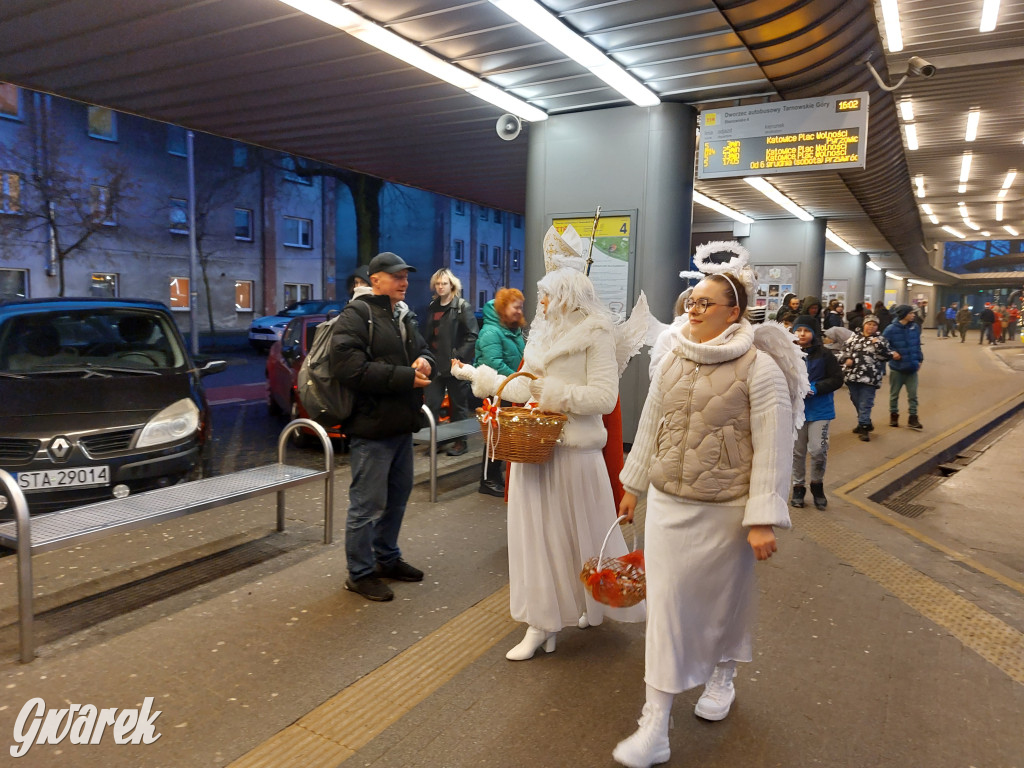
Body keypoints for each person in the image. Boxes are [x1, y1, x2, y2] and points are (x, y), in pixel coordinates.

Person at [612, 255, 807, 768]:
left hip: (726, 511)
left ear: (734, 311)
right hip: (669, 506)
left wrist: (763, 517)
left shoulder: (759, 368)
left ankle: (723, 673)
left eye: (705, 303)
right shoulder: (673, 357)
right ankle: (656, 720)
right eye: (691, 301)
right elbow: (651, 423)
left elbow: (773, 445)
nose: (693, 309)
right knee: (668, 606)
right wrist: (632, 485)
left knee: (724, 600)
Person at [453, 261, 644, 662]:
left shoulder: (597, 334)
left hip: (575, 452)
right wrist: (482, 377)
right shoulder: (540, 335)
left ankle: (592, 602)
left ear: (567, 297)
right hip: (534, 449)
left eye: (546, 294)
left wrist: (553, 392)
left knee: (582, 536)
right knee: (535, 539)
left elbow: (604, 398)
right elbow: (524, 384)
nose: (539, 302)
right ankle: (541, 623)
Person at [330, 252, 435, 602]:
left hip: (400, 425)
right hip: (371, 428)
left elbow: (425, 350)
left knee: (396, 500)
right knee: (367, 505)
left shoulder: (401, 315)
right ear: (375, 279)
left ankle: (387, 559)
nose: (404, 281)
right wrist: (407, 376)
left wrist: (424, 360)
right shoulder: (356, 315)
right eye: (396, 276)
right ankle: (359, 573)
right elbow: (349, 368)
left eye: (406, 276)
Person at [473, 287, 526, 496]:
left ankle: (496, 476)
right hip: (496, 390)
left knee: (503, 436)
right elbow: (493, 363)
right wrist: (518, 379)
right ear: (504, 308)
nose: (519, 311)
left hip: (509, 388)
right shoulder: (491, 332)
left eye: (521, 307)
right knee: (495, 436)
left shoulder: (512, 330)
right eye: (516, 307)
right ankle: (487, 480)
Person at [422, 268, 478, 456]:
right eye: (437, 284)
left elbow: (472, 335)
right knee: (432, 404)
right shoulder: (432, 306)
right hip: (435, 363)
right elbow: (427, 335)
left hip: (455, 365)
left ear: (452, 285)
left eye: (444, 283)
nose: (440, 287)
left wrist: (459, 356)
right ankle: (436, 441)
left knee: (458, 405)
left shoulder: (461, 306)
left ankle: (460, 443)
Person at [790, 316, 843, 510]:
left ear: (813, 333)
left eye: (806, 330)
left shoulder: (825, 355)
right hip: (796, 412)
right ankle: (798, 487)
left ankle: (817, 485)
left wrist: (815, 388)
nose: (802, 334)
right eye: (798, 330)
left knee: (818, 449)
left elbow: (837, 379)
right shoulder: (788, 354)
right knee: (797, 452)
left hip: (820, 410)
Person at [840, 314, 896, 442]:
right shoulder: (853, 339)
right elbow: (843, 351)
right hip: (852, 376)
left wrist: (878, 345)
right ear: (864, 325)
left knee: (866, 403)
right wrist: (846, 359)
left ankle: (864, 428)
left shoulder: (880, 340)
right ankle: (864, 422)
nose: (871, 327)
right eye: (869, 324)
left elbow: (887, 355)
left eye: (874, 324)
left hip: (870, 378)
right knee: (856, 400)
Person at [883, 305, 924, 430]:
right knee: (894, 394)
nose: (913, 315)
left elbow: (917, 345)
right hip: (897, 368)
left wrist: (920, 360)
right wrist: (892, 353)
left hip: (912, 367)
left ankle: (913, 418)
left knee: (913, 395)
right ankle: (894, 416)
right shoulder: (890, 329)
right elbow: (883, 345)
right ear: (904, 314)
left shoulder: (914, 327)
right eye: (911, 313)